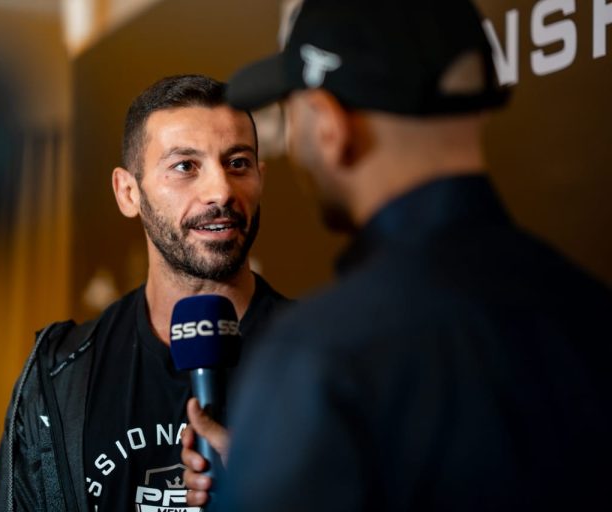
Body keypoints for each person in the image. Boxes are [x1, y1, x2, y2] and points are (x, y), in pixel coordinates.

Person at [182, 1, 612, 510]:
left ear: (330, 125)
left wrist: (266, 470)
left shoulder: (320, 358)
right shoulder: (592, 310)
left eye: (295, 117)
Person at [0, 74, 289, 512]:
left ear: (261, 178)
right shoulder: (59, 375)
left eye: (238, 163)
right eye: (185, 166)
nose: (221, 191)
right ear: (128, 193)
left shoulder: (332, 359)